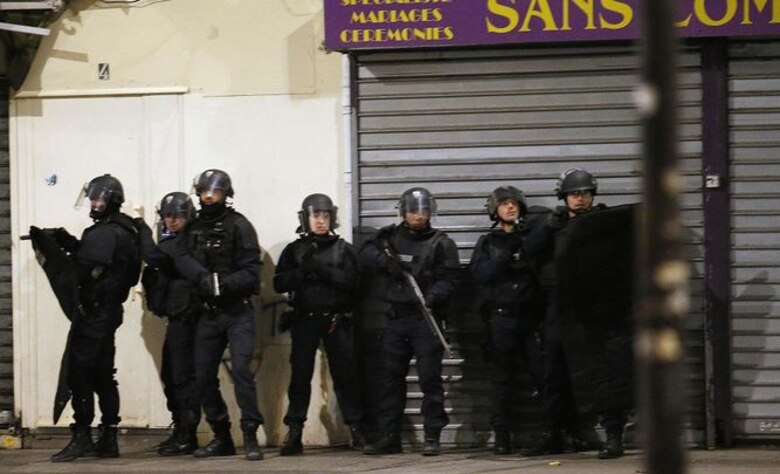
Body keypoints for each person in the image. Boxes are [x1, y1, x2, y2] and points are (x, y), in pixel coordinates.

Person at [524, 168, 626, 458]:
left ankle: (613, 436)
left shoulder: (603, 223)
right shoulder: (552, 224)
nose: (580, 198)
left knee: (604, 372)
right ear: (563, 197)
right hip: (559, 305)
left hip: (596, 306)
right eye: (573, 194)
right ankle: (552, 434)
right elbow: (529, 253)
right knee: (553, 372)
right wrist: (547, 228)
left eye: (584, 193)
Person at [359, 187, 460, 456]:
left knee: (430, 380)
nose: (418, 215)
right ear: (404, 212)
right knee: (390, 380)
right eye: (413, 210)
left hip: (425, 319)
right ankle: (389, 437)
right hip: (396, 319)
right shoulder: (388, 237)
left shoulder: (442, 243)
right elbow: (365, 252)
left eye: (424, 210)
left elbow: (451, 279)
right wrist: (385, 261)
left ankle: (432, 436)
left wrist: (433, 296)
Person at [48, 174, 141, 462]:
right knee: (103, 375)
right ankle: (109, 438)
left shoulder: (105, 233)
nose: (93, 204)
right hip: (109, 312)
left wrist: (58, 253)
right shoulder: (126, 229)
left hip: (95, 314)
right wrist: (69, 242)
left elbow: (86, 271)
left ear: (110, 200)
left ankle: (83, 437)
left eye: (98, 199)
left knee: (80, 374)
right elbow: (97, 262)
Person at [173, 169, 264, 461]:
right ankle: (221, 435)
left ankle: (250, 434)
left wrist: (225, 284)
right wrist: (202, 278)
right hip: (208, 314)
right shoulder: (193, 227)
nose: (209, 197)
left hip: (237, 312)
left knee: (242, 372)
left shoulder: (239, 225)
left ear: (226, 194)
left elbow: (252, 271)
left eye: (214, 192)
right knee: (202, 376)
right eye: (204, 192)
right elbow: (181, 256)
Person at [273, 193, 365, 455]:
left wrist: (323, 271)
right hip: (305, 320)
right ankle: (294, 432)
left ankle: (357, 429)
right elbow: (279, 283)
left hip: (337, 321)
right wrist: (301, 272)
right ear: (306, 218)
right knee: (300, 378)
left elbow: (355, 284)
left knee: (345, 377)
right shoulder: (295, 250)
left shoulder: (344, 249)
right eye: (316, 216)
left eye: (325, 216)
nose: (321, 221)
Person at [469, 186, 544, 455]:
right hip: (501, 319)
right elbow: (481, 275)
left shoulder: (533, 238)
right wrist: (504, 255)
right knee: (502, 380)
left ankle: (550, 433)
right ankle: (502, 436)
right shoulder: (488, 242)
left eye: (514, 203)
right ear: (495, 210)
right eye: (504, 204)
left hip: (531, 319)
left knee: (543, 375)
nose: (510, 207)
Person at [137, 192, 201, 456]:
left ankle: (187, 434)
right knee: (172, 374)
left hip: (188, 318)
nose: (172, 221)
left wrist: (142, 230)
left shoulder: (187, 243)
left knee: (182, 376)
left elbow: (155, 256)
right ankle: (181, 429)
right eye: (167, 216)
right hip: (177, 317)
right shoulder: (175, 241)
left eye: (177, 216)